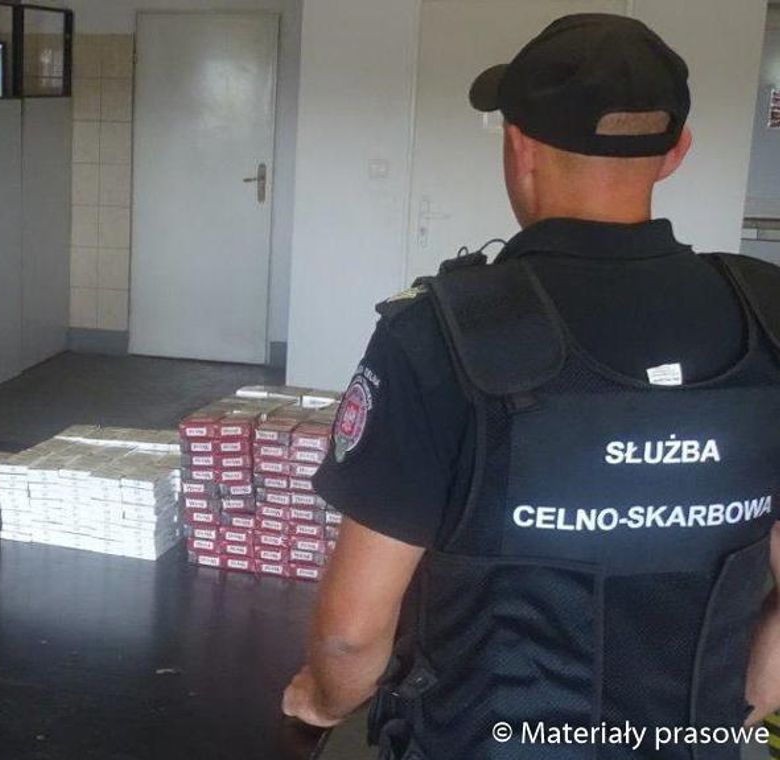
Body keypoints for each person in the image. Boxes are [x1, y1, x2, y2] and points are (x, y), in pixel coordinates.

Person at [282, 13, 780, 760]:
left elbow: (352, 634)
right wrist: (752, 695)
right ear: (676, 152)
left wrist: (317, 703)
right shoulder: (767, 316)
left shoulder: (443, 335)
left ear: (518, 144)